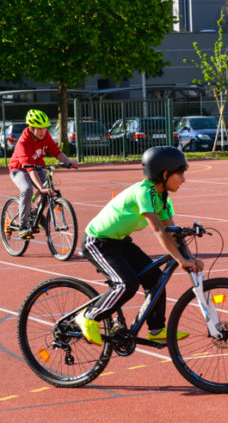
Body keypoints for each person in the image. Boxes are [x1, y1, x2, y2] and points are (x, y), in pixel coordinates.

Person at [75, 146, 203, 346]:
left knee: (155, 279)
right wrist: (181, 259)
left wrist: (189, 258)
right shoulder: (144, 191)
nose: (184, 179)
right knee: (127, 284)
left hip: (120, 241)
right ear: (165, 174)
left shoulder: (162, 197)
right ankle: (89, 316)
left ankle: (156, 329)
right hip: (98, 241)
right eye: (181, 174)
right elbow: (159, 230)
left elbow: (172, 230)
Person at [7, 109, 79, 238]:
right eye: (39, 129)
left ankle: (35, 213)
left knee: (49, 189)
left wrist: (68, 162)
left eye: (44, 128)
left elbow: (56, 152)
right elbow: (29, 169)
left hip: (38, 167)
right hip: (19, 169)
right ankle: (22, 225)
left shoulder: (45, 136)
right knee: (27, 188)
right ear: (31, 128)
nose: (43, 132)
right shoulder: (24, 142)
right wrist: (40, 187)